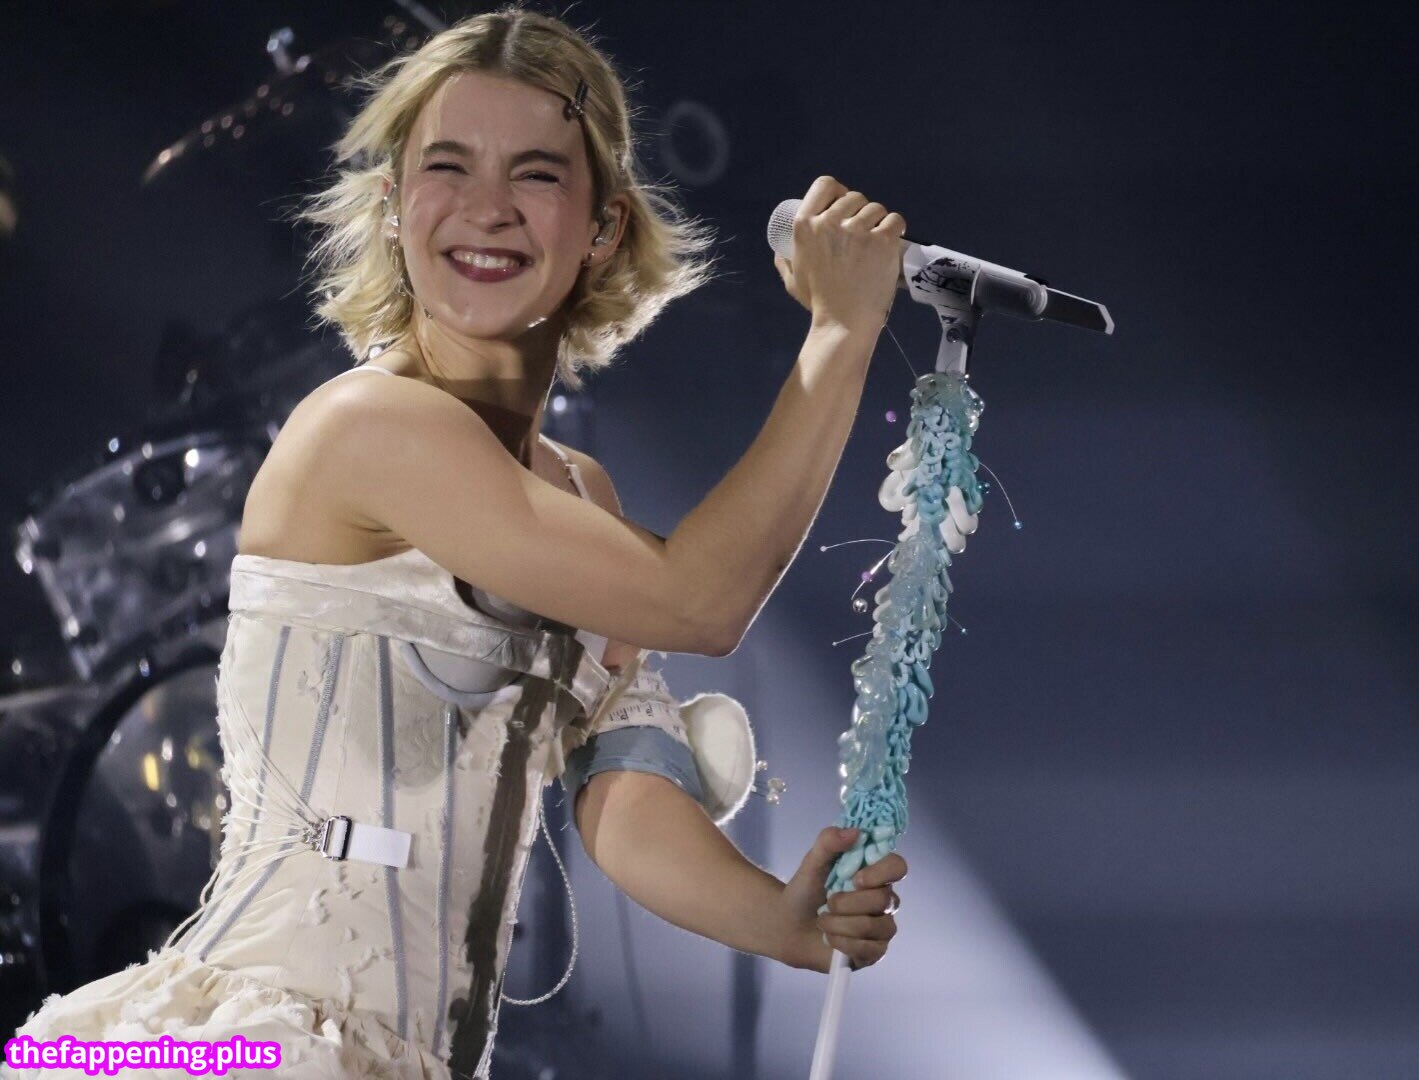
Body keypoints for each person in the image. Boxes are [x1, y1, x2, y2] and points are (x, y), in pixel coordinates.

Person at [1, 6, 909, 1078]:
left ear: (604, 226)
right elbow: (699, 602)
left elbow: (618, 785)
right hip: (266, 1039)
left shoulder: (578, 492)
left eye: (536, 173)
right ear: (393, 207)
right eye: (448, 166)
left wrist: (782, 921)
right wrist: (839, 334)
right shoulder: (370, 426)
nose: (487, 208)